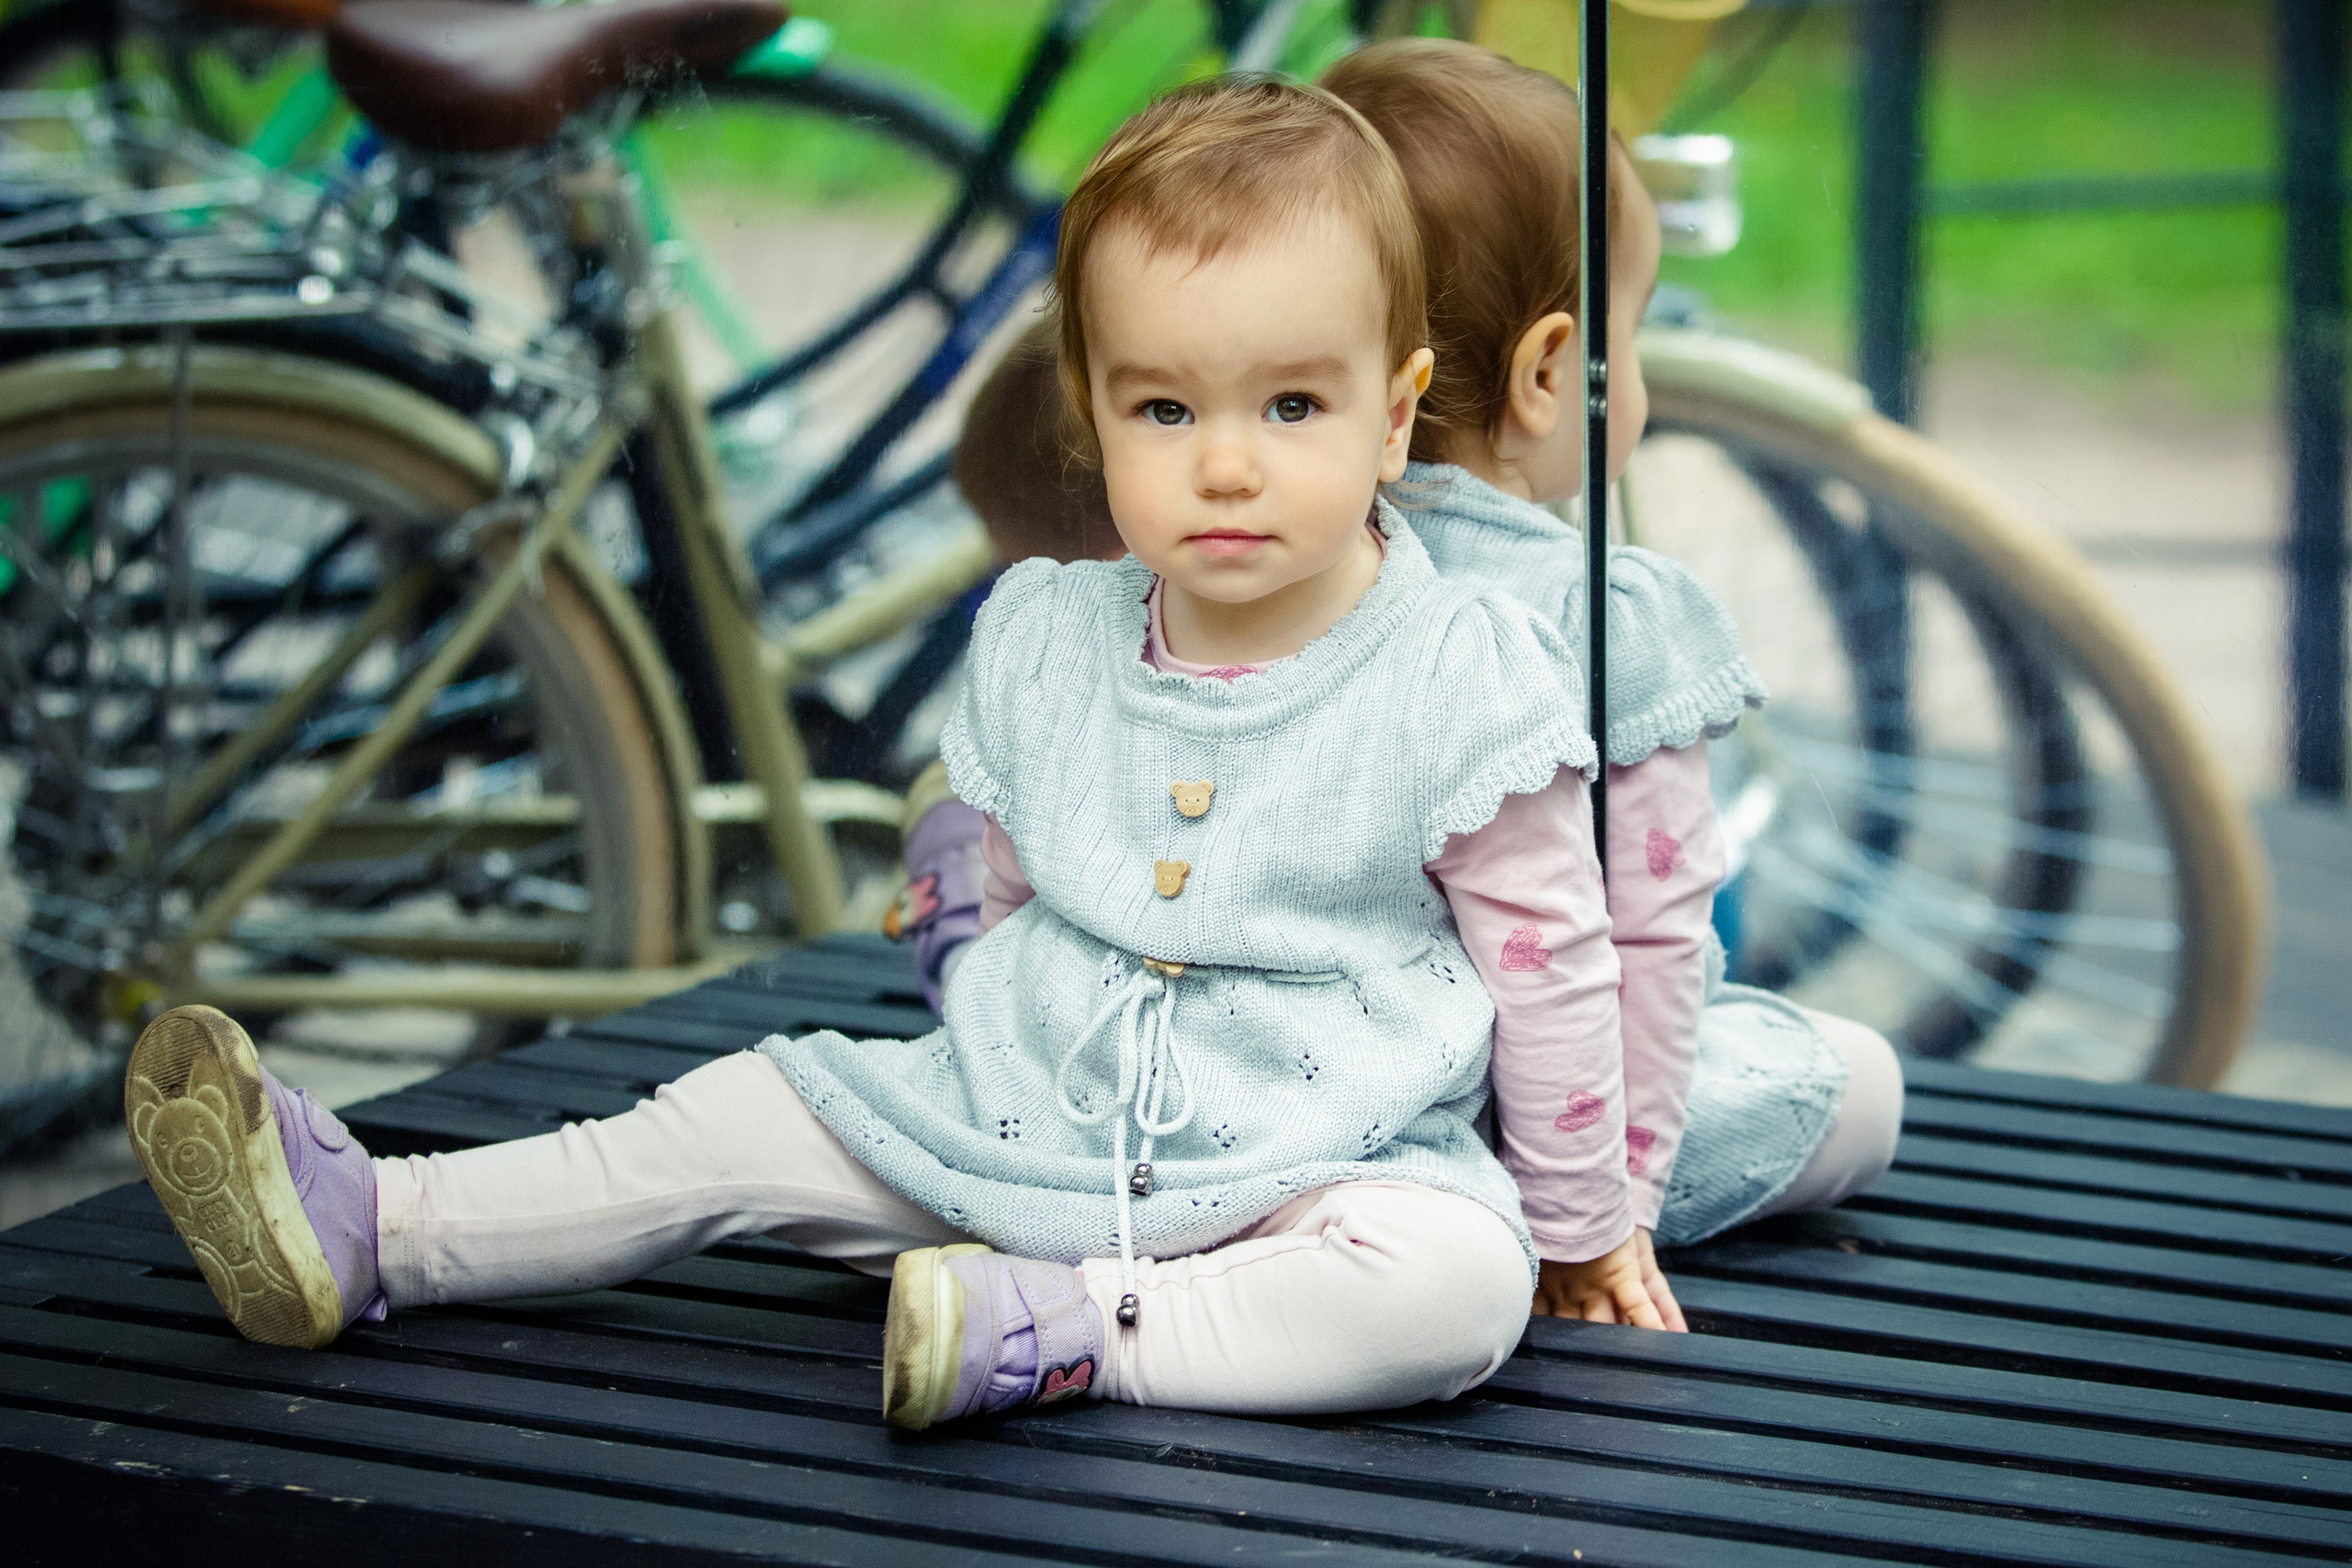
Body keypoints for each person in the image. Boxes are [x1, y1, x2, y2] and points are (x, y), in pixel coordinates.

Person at [123, 74, 1644, 1434]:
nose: (1227, 462)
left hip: (1321, 1165)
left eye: (1292, 404)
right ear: (1093, 416)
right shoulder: (1050, 633)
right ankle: (377, 1226)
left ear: (1395, 418)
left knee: (1451, 1287)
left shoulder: (1463, 675)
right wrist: (964, 1000)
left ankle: (1065, 1337)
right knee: (735, 1118)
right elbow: (990, 874)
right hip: (1012, 1116)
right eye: (1166, 407)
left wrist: (1581, 1228)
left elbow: (1553, 961)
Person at [906, 37, 1904, 1308]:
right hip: (1474, 1133)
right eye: (1628, 338)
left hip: (1231, 1092)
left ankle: (956, 911)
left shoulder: (1242, 556)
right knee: (1857, 1080)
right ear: (1554, 374)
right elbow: (1652, 956)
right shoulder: (1600, 616)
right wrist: (1603, 1226)